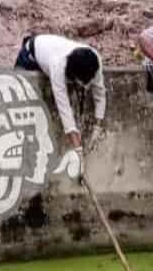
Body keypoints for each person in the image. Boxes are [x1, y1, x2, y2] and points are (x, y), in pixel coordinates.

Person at [14, 34, 107, 175]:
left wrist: (97, 126)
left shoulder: (95, 59)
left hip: (52, 48)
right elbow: (64, 109)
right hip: (31, 54)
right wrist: (78, 151)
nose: (87, 86)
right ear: (73, 75)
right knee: (19, 98)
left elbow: (100, 93)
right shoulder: (57, 66)